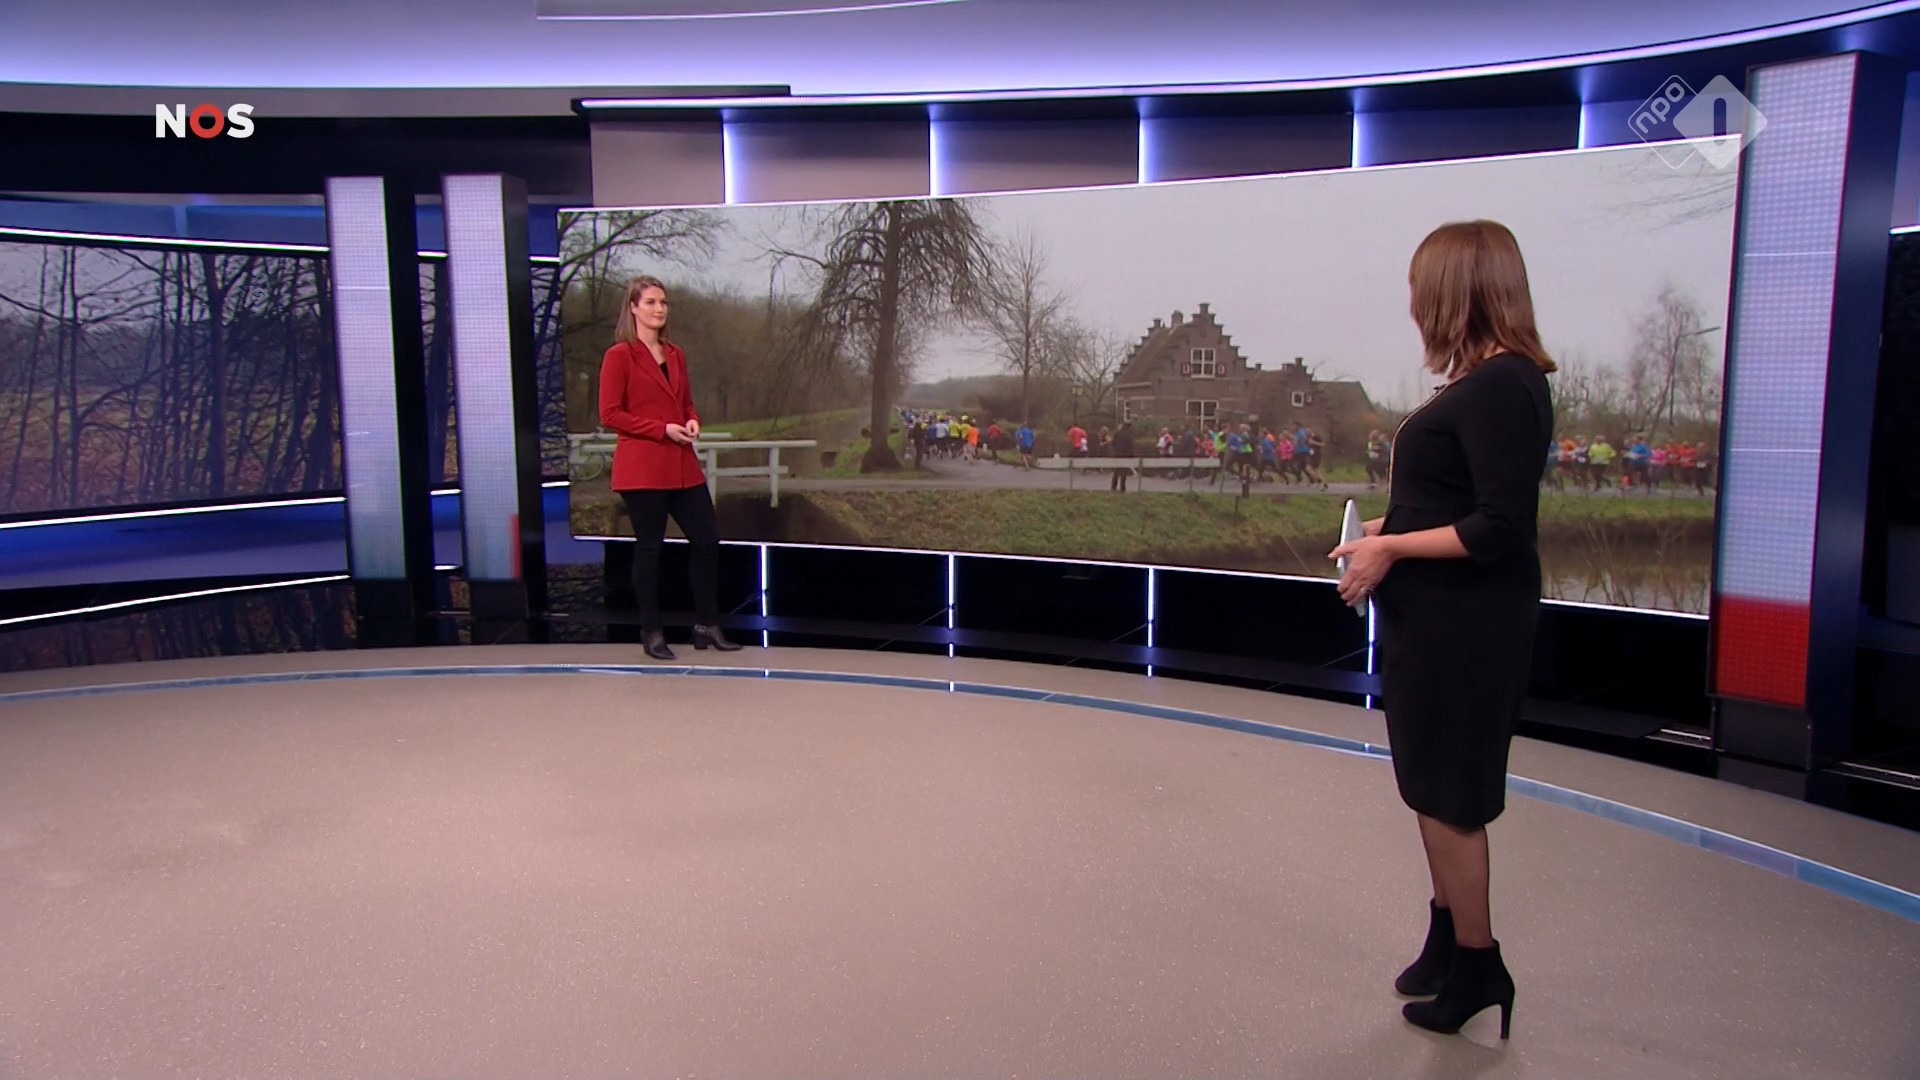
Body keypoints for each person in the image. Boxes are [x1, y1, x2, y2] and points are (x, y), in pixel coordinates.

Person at [1329, 220, 1553, 1040]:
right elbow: (1451, 500)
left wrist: (1390, 547)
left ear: (1457, 291)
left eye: (1421, 287)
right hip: (1435, 624)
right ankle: (1446, 938)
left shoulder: (1503, 386)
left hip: (1468, 629)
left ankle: (1480, 964)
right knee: (1428, 784)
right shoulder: (1480, 383)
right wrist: (1385, 530)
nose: (1413, 302)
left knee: (1451, 794)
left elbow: (1498, 525)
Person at [598, 275, 742, 661]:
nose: (659, 309)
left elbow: (686, 402)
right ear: (633, 307)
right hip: (643, 467)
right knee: (650, 548)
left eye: (663, 302)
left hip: (682, 464)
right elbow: (610, 414)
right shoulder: (620, 356)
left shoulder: (675, 354)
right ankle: (651, 630)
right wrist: (661, 429)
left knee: (706, 539)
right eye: (650, 302)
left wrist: (692, 420)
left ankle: (707, 625)